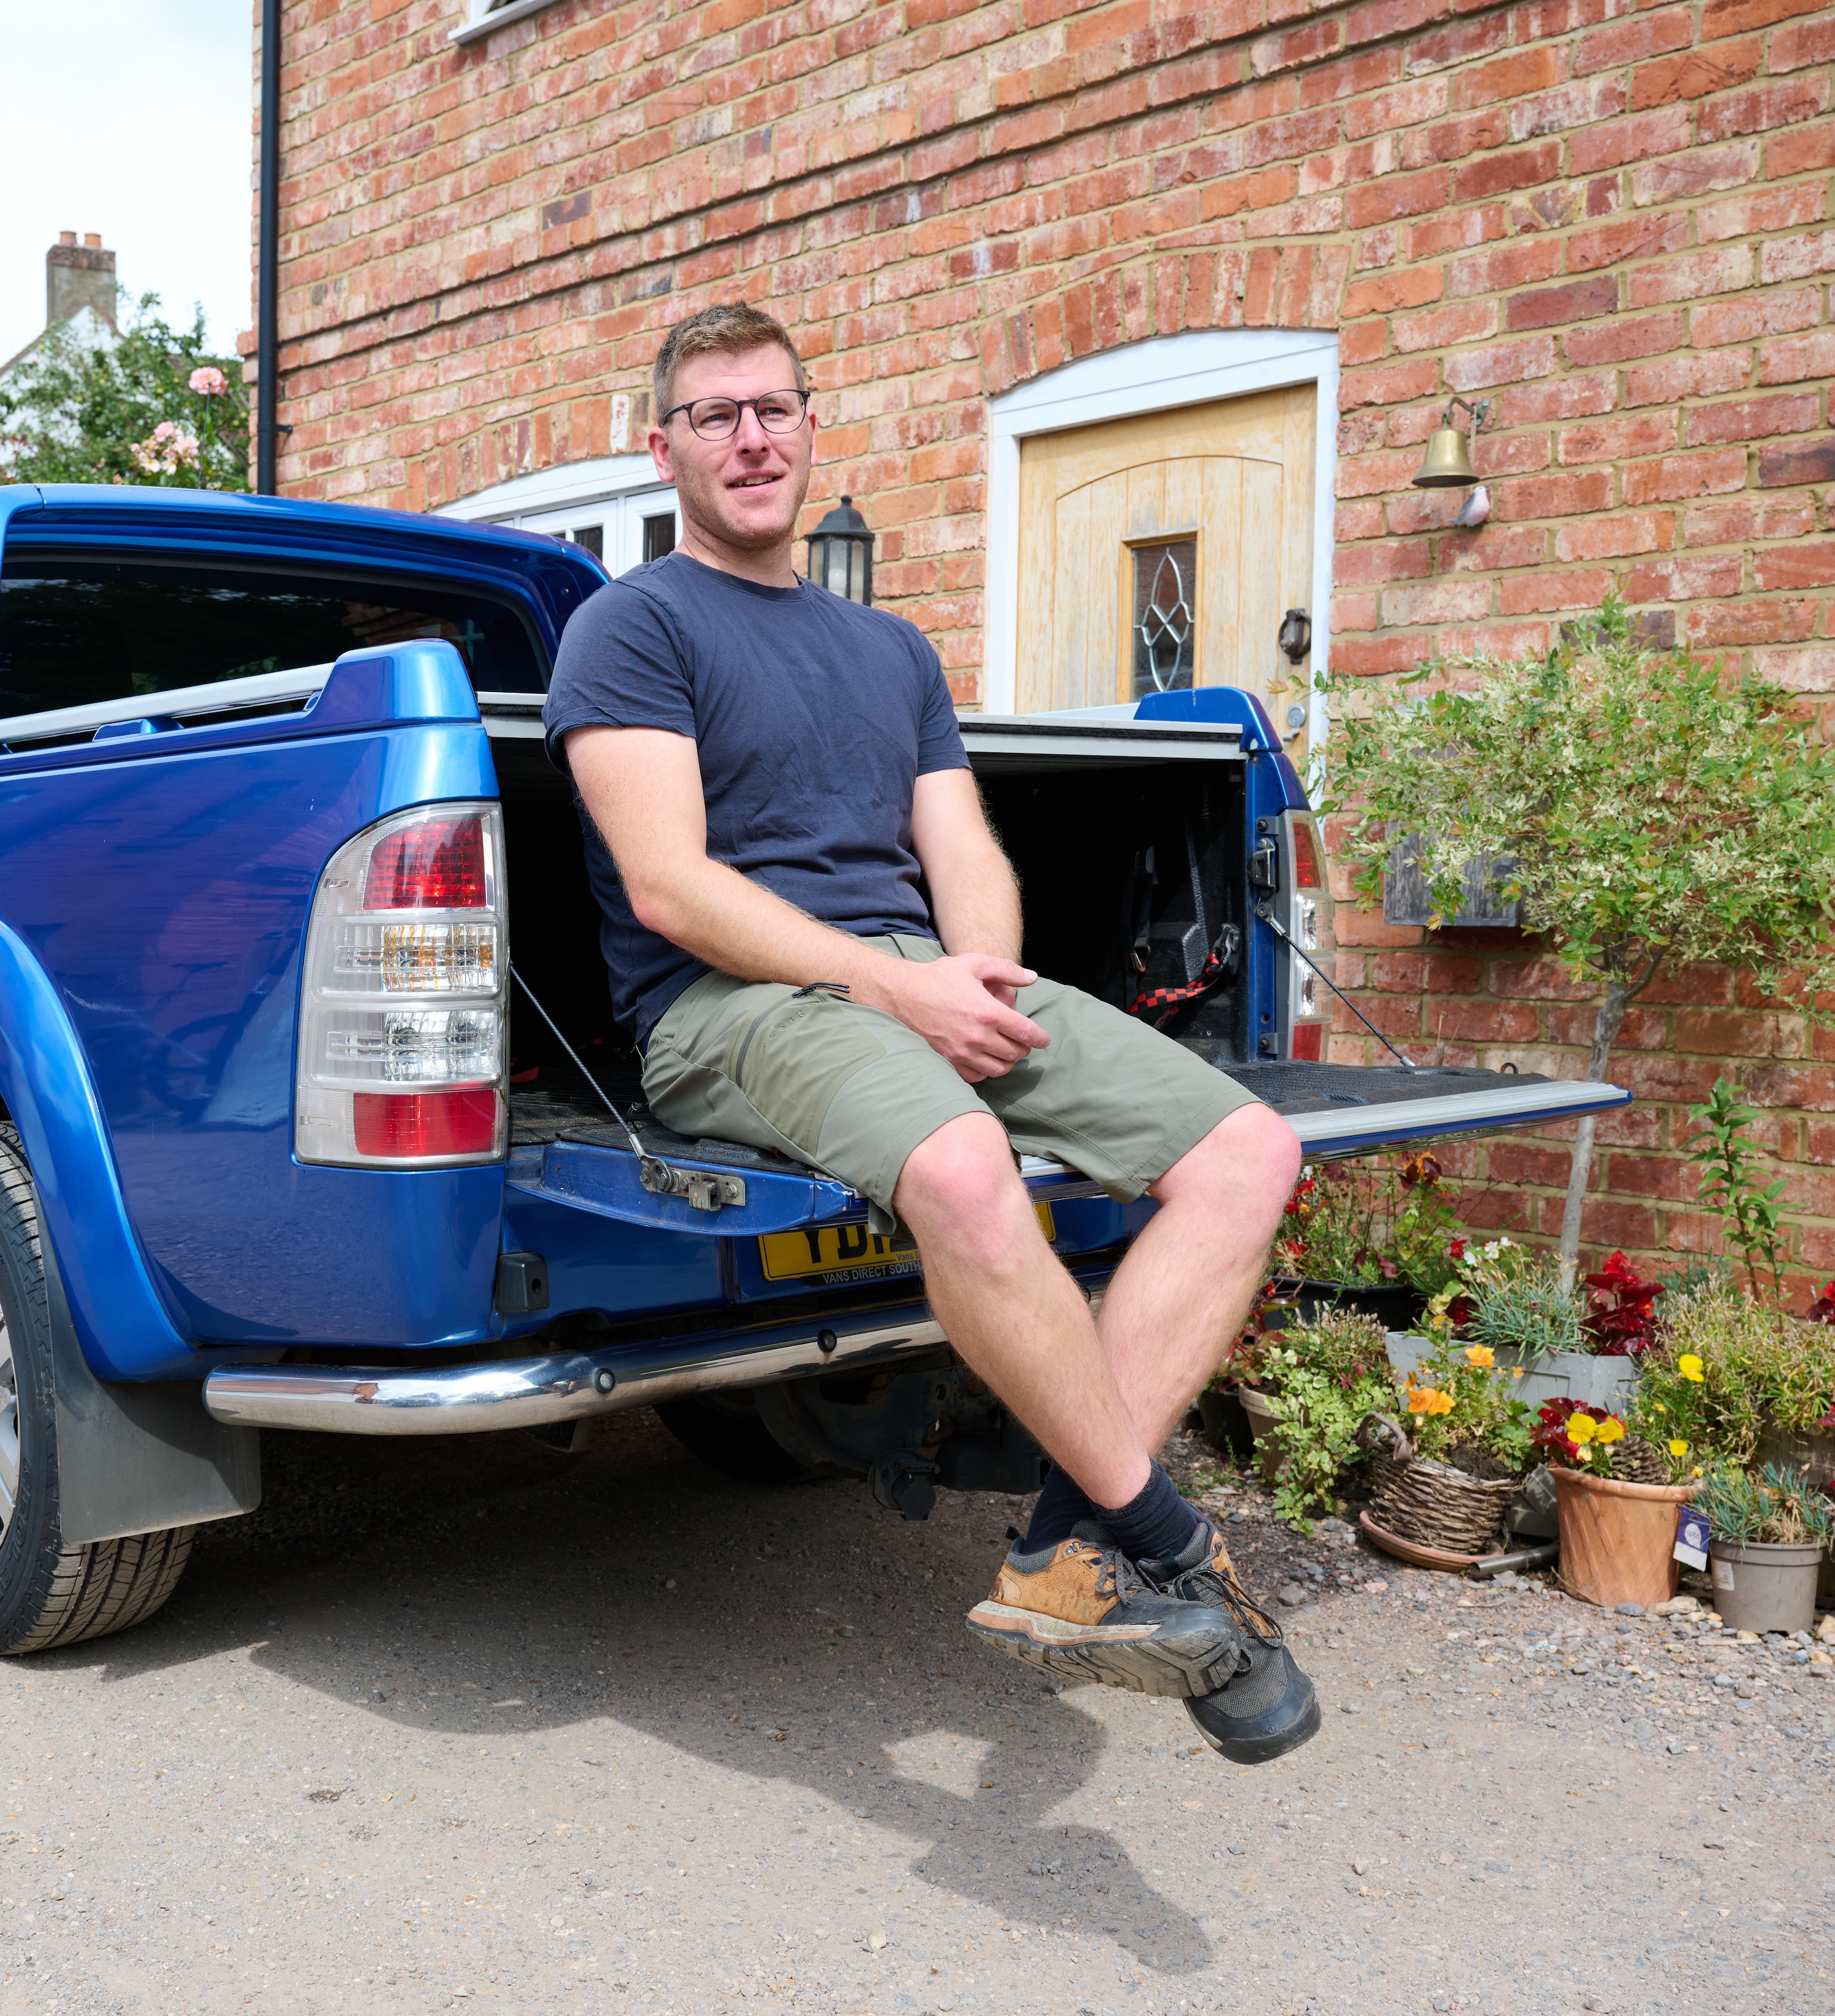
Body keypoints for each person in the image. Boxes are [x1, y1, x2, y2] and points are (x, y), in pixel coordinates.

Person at [543, 302, 1321, 1764]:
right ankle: (1164, 1538)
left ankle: (1064, 1546)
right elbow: (670, 885)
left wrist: (983, 975)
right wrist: (899, 994)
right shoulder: (630, 626)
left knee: (1246, 1148)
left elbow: (957, 842)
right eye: (714, 416)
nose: (752, 437)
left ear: (811, 425)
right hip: (725, 1006)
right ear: (664, 451)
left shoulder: (888, 647)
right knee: (964, 1172)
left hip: (912, 976)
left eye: (773, 407)